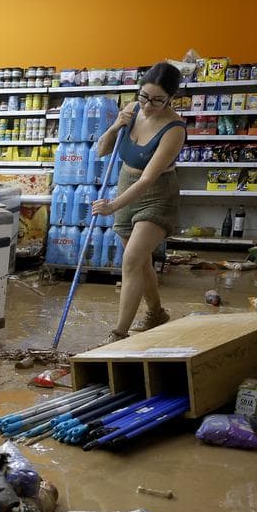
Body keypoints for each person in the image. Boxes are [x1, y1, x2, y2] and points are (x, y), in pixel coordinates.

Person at [91, 61, 186, 344]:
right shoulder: (131, 110)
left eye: (158, 100)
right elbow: (101, 150)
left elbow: (147, 179)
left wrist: (113, 206)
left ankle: (118, 334)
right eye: (144, 96)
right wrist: (116, 125)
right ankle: (156, 313)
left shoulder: (174, 129)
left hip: (157, 195)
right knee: (141, 262)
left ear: (171, 98)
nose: (148, 105)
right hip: (125, 184)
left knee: (131, 260)